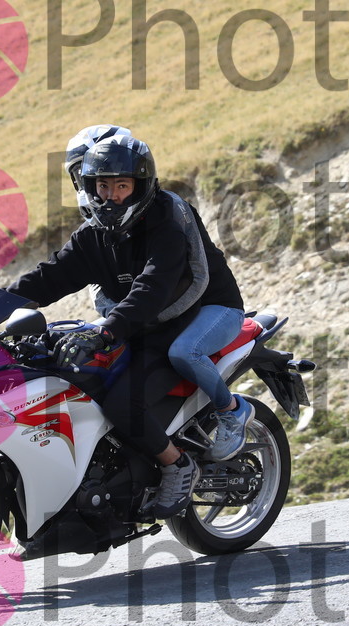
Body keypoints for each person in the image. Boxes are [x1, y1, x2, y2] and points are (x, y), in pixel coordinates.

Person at [5, 131, 245, 519]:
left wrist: (106, 330)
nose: (112, 196)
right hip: (142, 323)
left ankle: (178, 464)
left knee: (123, 400)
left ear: (140, 186)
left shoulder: (166, 223)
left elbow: (152, 288)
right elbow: (49, 276)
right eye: (103, 186)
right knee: (78, 376)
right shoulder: (92, 236)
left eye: (122, 186)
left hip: (187, 316)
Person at [61, 125, 253, 460]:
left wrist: (131, 324)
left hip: (211, 305)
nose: (99, 184)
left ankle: (231, 410)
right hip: (159, 313)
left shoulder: (168, 211)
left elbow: (177, 281)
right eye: (83, 174)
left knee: (184, 352)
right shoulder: (103, 222)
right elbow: (74, 274)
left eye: (118, 181)